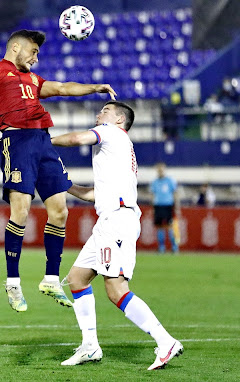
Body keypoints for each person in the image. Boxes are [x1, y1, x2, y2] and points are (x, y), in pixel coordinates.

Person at [0, 29, 117, 312]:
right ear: (16, 47)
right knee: (21, 210)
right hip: (17, 141)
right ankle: (12, 281)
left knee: (60, 210)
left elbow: (61, 87)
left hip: (43, 141)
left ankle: (50, 279)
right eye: (33, 51)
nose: (36, 57)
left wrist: (94, 87)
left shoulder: (33, 80)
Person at [51, 101, 183, 369]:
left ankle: (165, 341)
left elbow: (77, 138)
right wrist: (65, 184)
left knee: (116, 289)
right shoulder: (117, 148)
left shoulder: (111, 133)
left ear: (119, 119)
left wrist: (44, 143)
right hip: (109, 218)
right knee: (77, 279)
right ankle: (90, 347)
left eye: (105, 111)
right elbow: (95, 194)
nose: (99, 114)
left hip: (117, 220)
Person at [150, 162, 179, 253]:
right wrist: (153, 208)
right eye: (159, 170)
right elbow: (152, 195)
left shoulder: (170, 181)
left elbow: (175, 193)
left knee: (170, 226)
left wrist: (177, 206)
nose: (160, 171)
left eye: (162, 170)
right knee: (159, 227)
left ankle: (174, 247)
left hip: (168, 205)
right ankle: (161, 247)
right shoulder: (155, 182)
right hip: (158, 205)